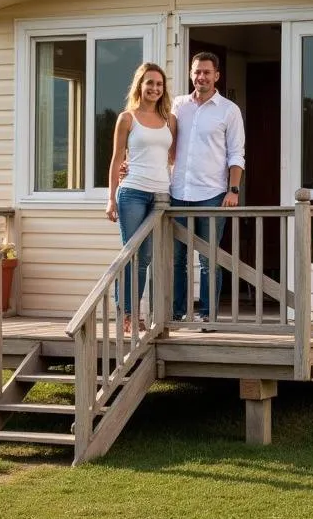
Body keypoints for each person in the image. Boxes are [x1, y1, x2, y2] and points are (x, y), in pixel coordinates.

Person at [170, 51, 246, 324]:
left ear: (216, 75)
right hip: (177, 193)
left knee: (208, 259)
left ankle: (207, 316)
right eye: (196, 72)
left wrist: (233, 190)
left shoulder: (228, 110)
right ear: (191, 74)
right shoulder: (178, 105)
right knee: (177, 258)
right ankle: (175, 314)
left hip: (211, 195)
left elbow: (236, 153)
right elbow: (161, 141)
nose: (201, 76)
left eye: (206, 72)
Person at [105, 62, 177, 333]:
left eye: (159, 84)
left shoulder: (170, 120)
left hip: (161, 195)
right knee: (131, 253)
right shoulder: (127, 118)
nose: (155, 89)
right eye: (150, 83)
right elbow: (115, 159)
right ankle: (127, 314)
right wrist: (110, 198)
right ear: (140, 85)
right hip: (132, 192)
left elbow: (174, 157)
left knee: (147, 257)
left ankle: (137, 312)